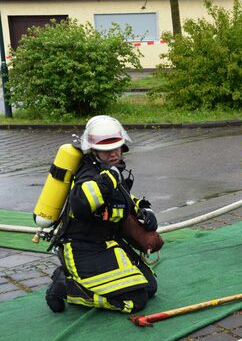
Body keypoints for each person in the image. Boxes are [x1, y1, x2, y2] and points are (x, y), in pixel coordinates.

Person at [45, 115, 163, 313]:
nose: (113, 153)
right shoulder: (88, 173)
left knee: (150, 287)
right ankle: (68, 287)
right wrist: (108, 180)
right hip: (83, 249)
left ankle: (79, 283)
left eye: (116, 147)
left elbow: (124, 199)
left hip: (109, 244)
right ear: (92, 150)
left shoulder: (111, 171)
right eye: (106, 150)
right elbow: (80, 203)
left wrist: (144, 209)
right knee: (135, 301)